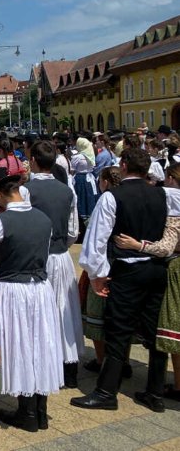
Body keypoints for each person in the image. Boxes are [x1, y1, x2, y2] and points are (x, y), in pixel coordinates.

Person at [73, 148, 180, 413]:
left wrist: (97, 275)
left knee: (118, 331)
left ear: (123, 165)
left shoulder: (112, 197)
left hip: (128, 271)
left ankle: (107, 391)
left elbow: (96, 240)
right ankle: (154, 392)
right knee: (154, 331)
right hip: (156, 270)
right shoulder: (163, 194)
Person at [0, 168, 64, 432]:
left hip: (13, 287)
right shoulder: (43, 219)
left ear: (2, 194)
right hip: (40, 286)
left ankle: (26, 411)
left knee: (19, 343)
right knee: (41, 343)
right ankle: (40, 410)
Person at [113, 162, 180, 400]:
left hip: (169, 267)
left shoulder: (172, 203)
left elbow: (166, 247)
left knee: (164, 328)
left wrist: (137, 244)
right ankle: (160, 389)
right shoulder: (168, 196)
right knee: (163, 329)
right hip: (163, 267)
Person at [21, 141, 83, 389]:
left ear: (34, 160)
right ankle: (69, 370)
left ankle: (43, 366)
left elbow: (23, 228)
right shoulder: (68, 191)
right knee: (64, 310)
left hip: (37, 258)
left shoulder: (25, 190)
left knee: (39, 313)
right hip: (61, 256)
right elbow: (73, 232)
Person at [81, 166, 127, 375]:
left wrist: (94, 271)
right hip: (125, 261)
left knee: (96, 311)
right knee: (121, 316)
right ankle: (122, 360)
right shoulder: (128, 197)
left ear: (106, 181)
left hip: (105, 261)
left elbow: (97, 236)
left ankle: (102, 361)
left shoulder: (107, 198)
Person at [71, 137, 99, 223]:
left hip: (80, 179)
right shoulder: (91, 155)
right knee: (89, 196)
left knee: (80, 197)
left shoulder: (78, 157)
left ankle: (81, 215)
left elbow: (72, 169)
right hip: (90, 179)